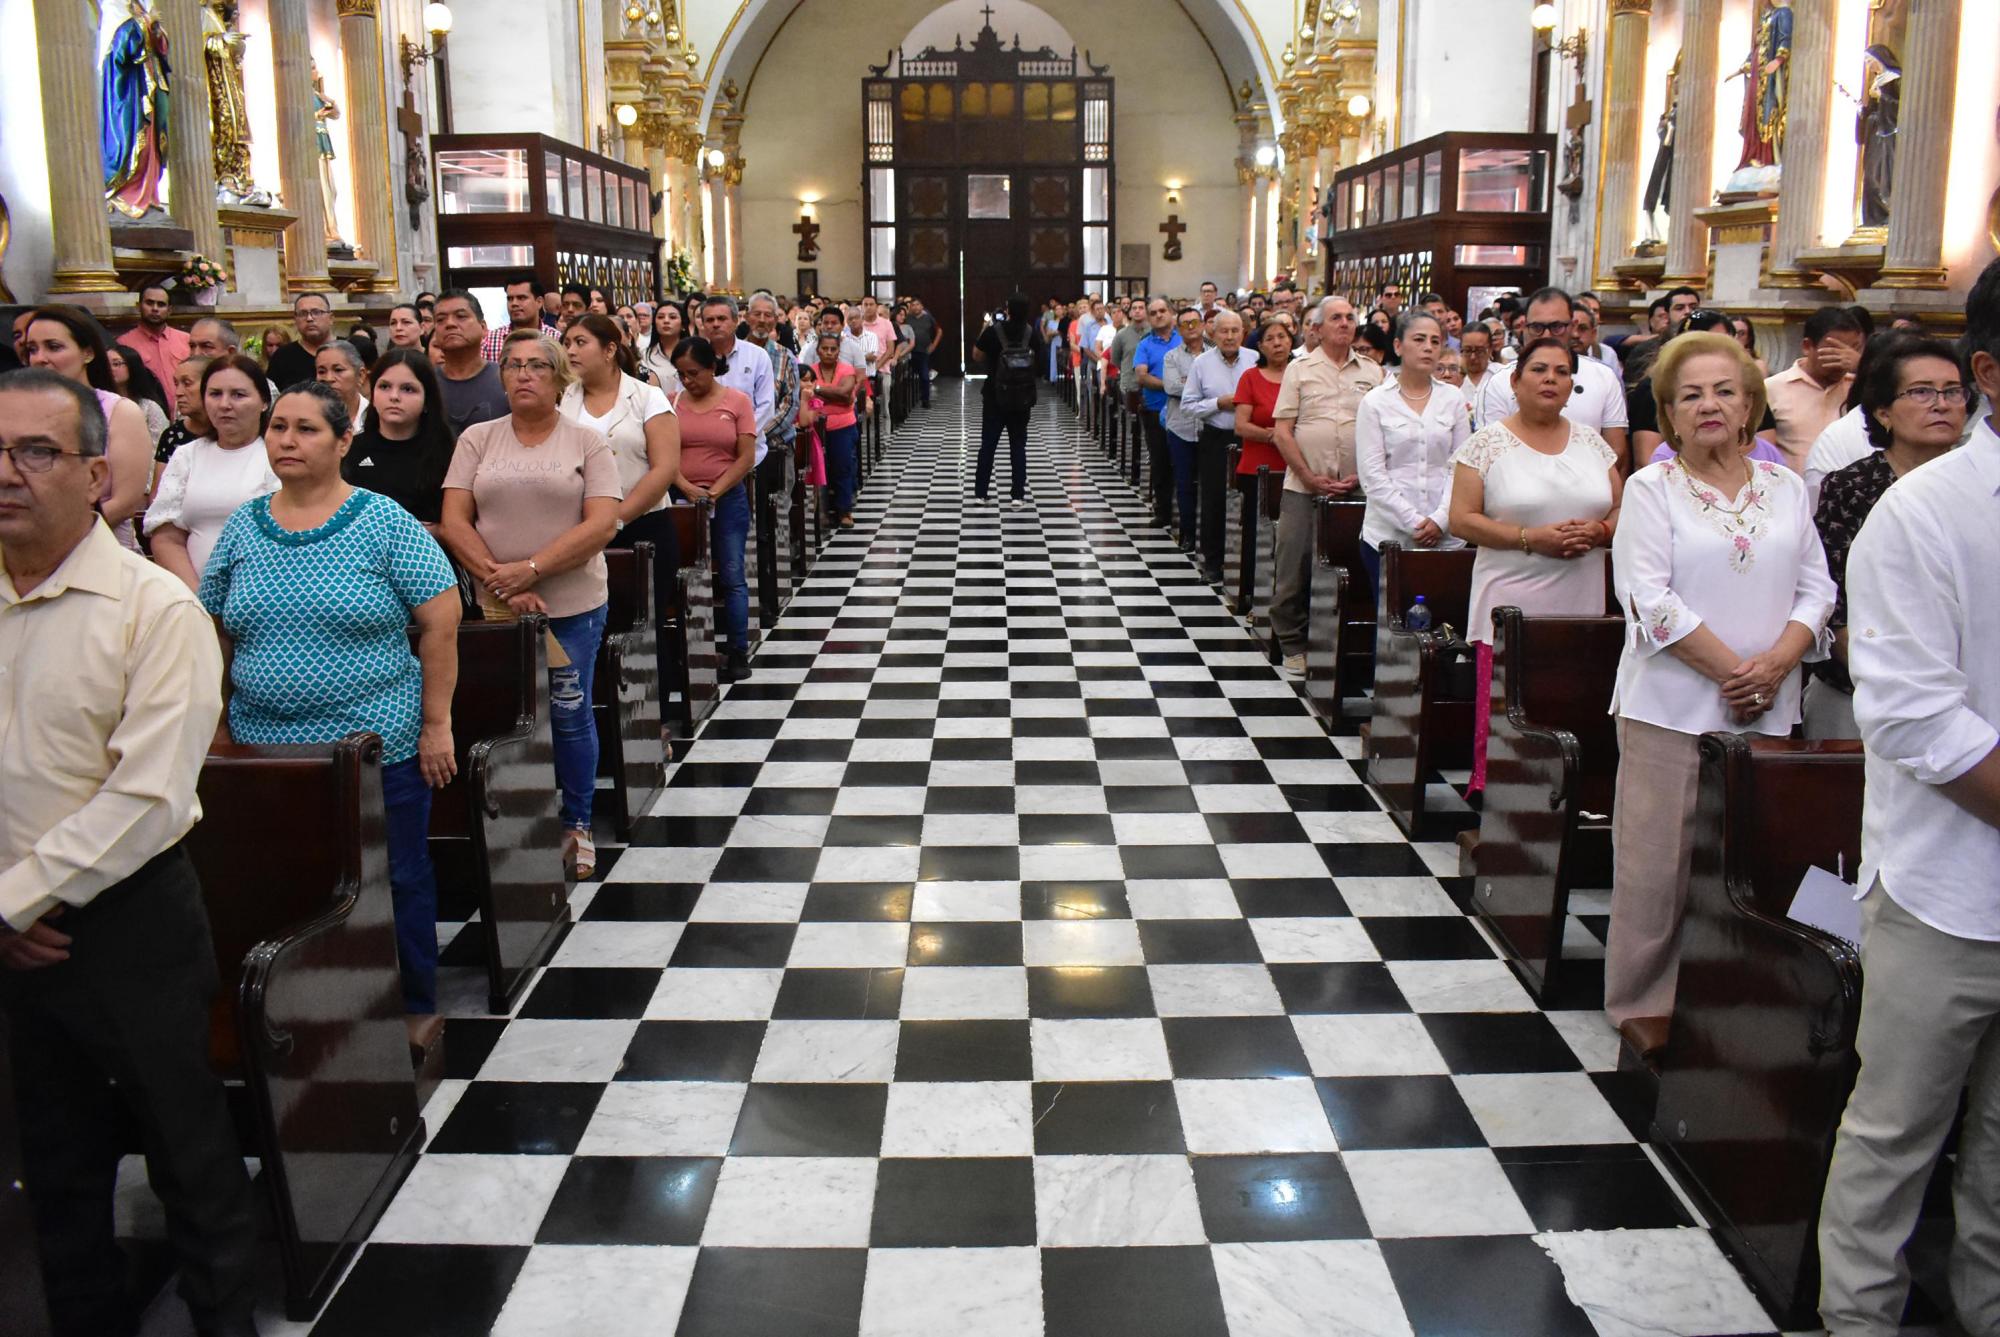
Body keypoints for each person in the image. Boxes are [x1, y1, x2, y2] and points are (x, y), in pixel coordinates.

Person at [0, 368, 261, 1337]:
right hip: (14, 929)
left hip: (124, 924)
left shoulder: (154, 610)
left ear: (97, 475)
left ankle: (221, 1318)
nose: (8, 474)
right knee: (53, 1158)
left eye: (36, 452)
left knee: (183, 1146)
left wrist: (16, 899)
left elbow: (148, 794)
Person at [1815, 258, 2000, 1337]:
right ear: (1986, 369)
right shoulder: (1922, 514)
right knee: (1895, 1132)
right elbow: (1919, 719)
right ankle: (1859, 1319)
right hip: (1945, 883)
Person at [199, 380, 460, 1042]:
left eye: (306, 428)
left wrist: (437, 724)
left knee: (394, 876)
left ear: (345, 440)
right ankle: (306, 1014)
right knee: (285, 882)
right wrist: (220, 721)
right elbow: (213, 625)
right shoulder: (244, 524)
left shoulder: (381, 519)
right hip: (268, 750)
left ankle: (407, 1008)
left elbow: (440, 619)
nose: (287, 439)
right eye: (278, 427)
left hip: (377, 745)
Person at [1605, 331, 1835, 1058]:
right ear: (1668, 415)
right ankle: (1643, 1002)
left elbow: (1817, 588)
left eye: (1724, 391)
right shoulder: (1651, 487)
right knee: (1660, 862)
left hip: (1770, 702)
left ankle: (1737, 993)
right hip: (1670, 707)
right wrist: (1735, 671)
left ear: (1749, 407)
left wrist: (1774, 667)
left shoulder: (1786, 487)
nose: (1709, 405)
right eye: (1690, 395)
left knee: (1752, 855)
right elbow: (1648, 597)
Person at [439, 330, 621, 876]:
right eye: (513, 365)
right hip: (496, 603)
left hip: (571, 604)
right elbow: (454, 519)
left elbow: (601, 523)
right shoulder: (478, 439)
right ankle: (514, 821)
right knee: (501, 713)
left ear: (559, 377)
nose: (523, 374)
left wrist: (534, 569)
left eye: (537, 366)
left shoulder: (585, 442)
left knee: (568, 713)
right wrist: (503, 581)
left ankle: (578, 823)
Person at [1449, 336, 1622, 794]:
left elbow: (1622, 511)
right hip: (1511, 598)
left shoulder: (1592, 444)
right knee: (1508, 707)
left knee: (1570, 703)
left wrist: (1600, 532)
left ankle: (1562, 800)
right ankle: (1496, 796)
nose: (1551, 379)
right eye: (1540, 370)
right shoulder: (1486, 444)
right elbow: (1462, 520)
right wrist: (1531, 538)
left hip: (1580, 598)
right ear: (1515, 380)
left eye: (1562, 372)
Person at [1805, 336, 1970, 742]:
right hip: (1860, 687)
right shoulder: (1852, 487)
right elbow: (1833, 600)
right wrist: (1886, 683)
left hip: (1970, 686)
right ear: (1883, 412)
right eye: (1921, 392)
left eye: (1952, 391)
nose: (1941, 403)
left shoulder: (1979, 485)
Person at [1271, 296, 1384, 675]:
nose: (1345, 323)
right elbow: (1283, 431)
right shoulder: (1299, 370)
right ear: (1317, 327)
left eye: (1350, 318)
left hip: (1358, 488)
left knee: (1352, 566)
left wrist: (1366, 475)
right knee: (1295, 563)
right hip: (1304, 486)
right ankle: (1292, 641)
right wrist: (1307, 475)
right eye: (1336, 317)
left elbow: (1382, 432)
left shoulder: (1372, 371)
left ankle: (1345, 642)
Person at [559, 313, 680, 621]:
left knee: (642, 624)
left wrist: (615, 518)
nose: (570, 351)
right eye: (567, 343)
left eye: (580, 342)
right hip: (579, 527)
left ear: (609, 349)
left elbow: (663, 469)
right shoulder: (563, 400)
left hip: (643, 526)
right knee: (593, 621)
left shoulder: (647, 397)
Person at [19, 308, 154, 552]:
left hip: (103, 549)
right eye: (32, 349)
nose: (40, 358)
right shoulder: (19, 414)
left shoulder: (120, 412)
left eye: (54, 346)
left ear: (88, 353)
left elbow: (126, 502)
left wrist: (57, 537)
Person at [1357, 311, 1471, 595]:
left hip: (1446, 535)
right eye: (1419, 339)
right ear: (1398, 346)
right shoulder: (1375, 402)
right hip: (1389, 534)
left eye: (1435, 341)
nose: (1428, 347)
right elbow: (1372, 475)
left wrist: (1440, 520)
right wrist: (1415, 522)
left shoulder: (1453, 398)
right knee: (1393, 625)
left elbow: (1461, 467)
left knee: (1442, 623)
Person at [668, 336, 758, 683]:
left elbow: (745, 457)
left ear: (711, 369)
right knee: (685, 575)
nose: (688, 381)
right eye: (681, 375)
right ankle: (691, 649)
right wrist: (688, 488)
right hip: (683, 497)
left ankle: (737, 650)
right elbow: (663, 456)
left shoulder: (737, 401)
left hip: (728, 497)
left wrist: (714, 492)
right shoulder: (673, 404)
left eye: (693, 373)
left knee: (732, 574)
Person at [147, 354, 280, 588]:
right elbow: (166, 536)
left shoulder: (278, 456)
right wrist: (198, 598)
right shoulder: (187, 455)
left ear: (264, 402)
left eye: (238, 395)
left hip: (263, 593)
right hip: (194, 595)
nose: (224, 404)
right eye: (215, 394)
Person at [1478, 288, 1631, 473]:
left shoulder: (1603, 377)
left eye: (1556, 327)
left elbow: (1616, 452)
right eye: (1537, 328)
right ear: (1524, 326)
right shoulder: (1500, 382)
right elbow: (1493, 454)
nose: (1546, 336)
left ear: (1572, 325)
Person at [1184, 308, 1259, 582]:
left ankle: (1249, 566)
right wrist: (1219, 403)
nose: (1229, 337)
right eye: (1224, 331)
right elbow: (1188, 405)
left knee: (1250, 501)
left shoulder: (1255, 360)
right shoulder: (1201, 363)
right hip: (1216, 436)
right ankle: (1212, 562)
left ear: (1244, 333)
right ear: (1213, 334)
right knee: (1213, 499)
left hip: (1250, 438)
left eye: (1235, 331)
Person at [342, 347, 457, 527]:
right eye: (384, 387)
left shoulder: (449, 453)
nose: (394, 397)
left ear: (427, 399)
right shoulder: (350, 450)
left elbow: (456, 525)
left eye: (408, 389)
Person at [1766, 305, 1869, 473]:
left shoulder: (1861, 388)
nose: (1842, 357)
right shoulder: (1771, 389)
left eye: (1853, 349)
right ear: (1808, 346)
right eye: (1834, 349)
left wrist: (1862, 366)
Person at [969, 294, 1044, 508]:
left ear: (1008, 310)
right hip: (1022, 397)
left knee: (988, 445)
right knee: (1018, 445)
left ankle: (981, 492)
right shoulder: (1030, 333)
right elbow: (1038, 359)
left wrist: (985, 326)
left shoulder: (994, 331)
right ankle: (1017, 494)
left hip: (995, 395)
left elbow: (976, 355)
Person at [744, 293, 799, 539]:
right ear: (746, 317)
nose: (763, 320)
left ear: (776, 320)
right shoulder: (735, 354)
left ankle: (779, 561)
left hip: (776, 444)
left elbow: (789, 403)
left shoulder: (784, 356)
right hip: (738, 448)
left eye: (769, 315)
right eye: (757, 314)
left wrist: (757, 432)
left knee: (778, 508)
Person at [698, 297, 774, 472]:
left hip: (750, 454)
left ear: (735, 321)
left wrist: (738, 436)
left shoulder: (757, 356)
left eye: (722, 319)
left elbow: (766, 406)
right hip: (706, 454)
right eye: (710, 320)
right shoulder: (694, 358)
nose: (716, 324)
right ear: (702, 324)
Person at [1161, 308, 1210, 561]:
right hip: (1180, 427)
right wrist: (1206, 389)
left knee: (1209, 485)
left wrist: (1189, 384)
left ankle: (1210, 537)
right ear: (1179, 329)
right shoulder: (1171, 356)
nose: (1190, 327)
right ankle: (1187, 533)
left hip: (1209, 428)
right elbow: (1171, 386)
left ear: (1202, 324)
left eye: (1194, 322)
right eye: (1185, 324)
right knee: (1184, 483)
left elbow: (1222, 387)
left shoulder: (1216, 355)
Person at [801, 329, 862, 524]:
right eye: (824, 349)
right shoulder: (810, 370)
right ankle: (822, 511)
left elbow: (845, 395)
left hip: (842, 426)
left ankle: (844, 510)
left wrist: (817, 389)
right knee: (820, 469)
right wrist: (831, 393)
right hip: (815, 427)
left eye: (833, 349)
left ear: (838, 351)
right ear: (817, 351)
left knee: (842, 466)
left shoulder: (846, 370)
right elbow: (804, 393)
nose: (829, 352)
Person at [1131, 297, 1182, 529]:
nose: (1158, 315)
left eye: (1163, 311)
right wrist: (1172, 385)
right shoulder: (1145, 344)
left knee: (1182, 462)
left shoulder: (1184, 340)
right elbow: (1141, 375)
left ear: (1172, 313)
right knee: (1160, 461)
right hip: (1155, 410)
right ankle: (1162, 511)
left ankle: (1185, 510)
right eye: (1153, 313)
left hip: (1185, 411)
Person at [1233, 316, 1294, 509]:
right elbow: (1241, 426)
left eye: (1281, 337)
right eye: (1270, 339)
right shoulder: (1250, 377)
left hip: (1297, 466)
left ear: (1290, 341)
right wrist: (1275, 435)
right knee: (1255, 530)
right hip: (1258, 467)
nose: (1277, 343)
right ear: (1260, 346)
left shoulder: (1303, 374)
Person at [431, 290, 509, 435]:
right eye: (441, 319)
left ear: (483, 327)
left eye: (460, 316)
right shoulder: (424, 381)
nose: (450, 324)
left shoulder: (507, 378)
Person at [116, 282, 190, 390]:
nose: (155, 309)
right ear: (138, 306)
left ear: (169, 310)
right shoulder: (124, 343)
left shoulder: (186, 339)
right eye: (149, 303)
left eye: (161, 304)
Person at [104, 342, 173, 444]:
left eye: (116, 364)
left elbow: (159, 446)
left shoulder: (149, 407)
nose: (110, 369)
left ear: (132, 366)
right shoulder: (98, 403)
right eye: (105, 364)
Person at [156, 354, 211, 478]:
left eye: (187, 383)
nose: (178, 393)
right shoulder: (172, 436)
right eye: (176, 384)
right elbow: (158, 493)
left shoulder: (227, 434)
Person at [266, 291, 332, 388]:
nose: (309, 318)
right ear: (295, 319)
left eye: (316, 312)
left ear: (330, 318)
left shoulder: (349, 349)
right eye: (303, 313)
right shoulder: (283, 357)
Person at [313, 338, 369, 428]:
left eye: (338, 370)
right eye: (322, 371)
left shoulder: (376, 416)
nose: (328, 379)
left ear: (360, 375)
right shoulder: (308, 416)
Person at [493, 275, 542, 364]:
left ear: (539, 302)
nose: (514, 303)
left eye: (521, 298)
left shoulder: (556, 339)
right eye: (510, 299)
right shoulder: (491, 341)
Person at [1460, 323, 1501, 429]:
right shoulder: (1453, 377)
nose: (1473, 357)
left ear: (1490, 349)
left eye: (1479, 351)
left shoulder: (1502, 375)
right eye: (1468, 350)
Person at [906, 296, 940, 408]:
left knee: (925, 376)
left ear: (922, 306)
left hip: (923, 351)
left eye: (917, 304)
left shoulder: (928, 318)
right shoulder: (907, 318)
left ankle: (925, 400)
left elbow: (939, 331)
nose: (915, 307)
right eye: (913, 305)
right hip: (909, 352)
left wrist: (933, 345)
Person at [644, 301, 684, 391]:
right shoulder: (644, 356)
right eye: (660, 317)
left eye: (672, 317)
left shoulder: (693, 353)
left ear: (683, 324)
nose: (666, 321)